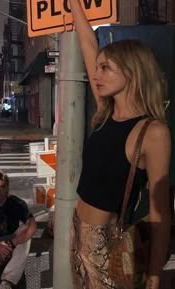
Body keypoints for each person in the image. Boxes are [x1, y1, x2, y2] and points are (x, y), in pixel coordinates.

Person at [69, 1, 171, 289]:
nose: (97, 74)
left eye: (106, 68)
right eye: (97, 68)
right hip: (77, 230)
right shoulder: (104, 112)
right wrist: (75, 5)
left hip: (108, 243)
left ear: (132, 72)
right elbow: (88, 42)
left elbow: (160, 211)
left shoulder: (153, 132)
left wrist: (153, 274)